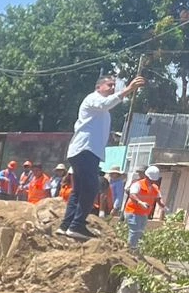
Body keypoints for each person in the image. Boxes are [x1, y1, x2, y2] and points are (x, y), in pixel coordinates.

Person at [61, 71, 146, 239]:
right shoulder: (93, 99)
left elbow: (107, 106)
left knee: (79, 190)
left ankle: (66, 225)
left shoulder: (102, 110)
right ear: (98, 87)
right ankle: (76, 225)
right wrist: (129, 88)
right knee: (92, 188)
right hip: (86, 150)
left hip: (84, 151)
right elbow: (106, 103)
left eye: (114, 86)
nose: (112, 88)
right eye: (109, 85)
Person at [124, 165, 163, 252]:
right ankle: (130, 249)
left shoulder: (154, 187)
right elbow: (132, 194)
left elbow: (158, 198)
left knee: (140, 231)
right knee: (135, 230)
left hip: (144, 213)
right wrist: (139, 202)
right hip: (133, 211)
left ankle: (134, 248)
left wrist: (162, 206)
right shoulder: (137, 184)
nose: (152, 181)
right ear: (146, 176)